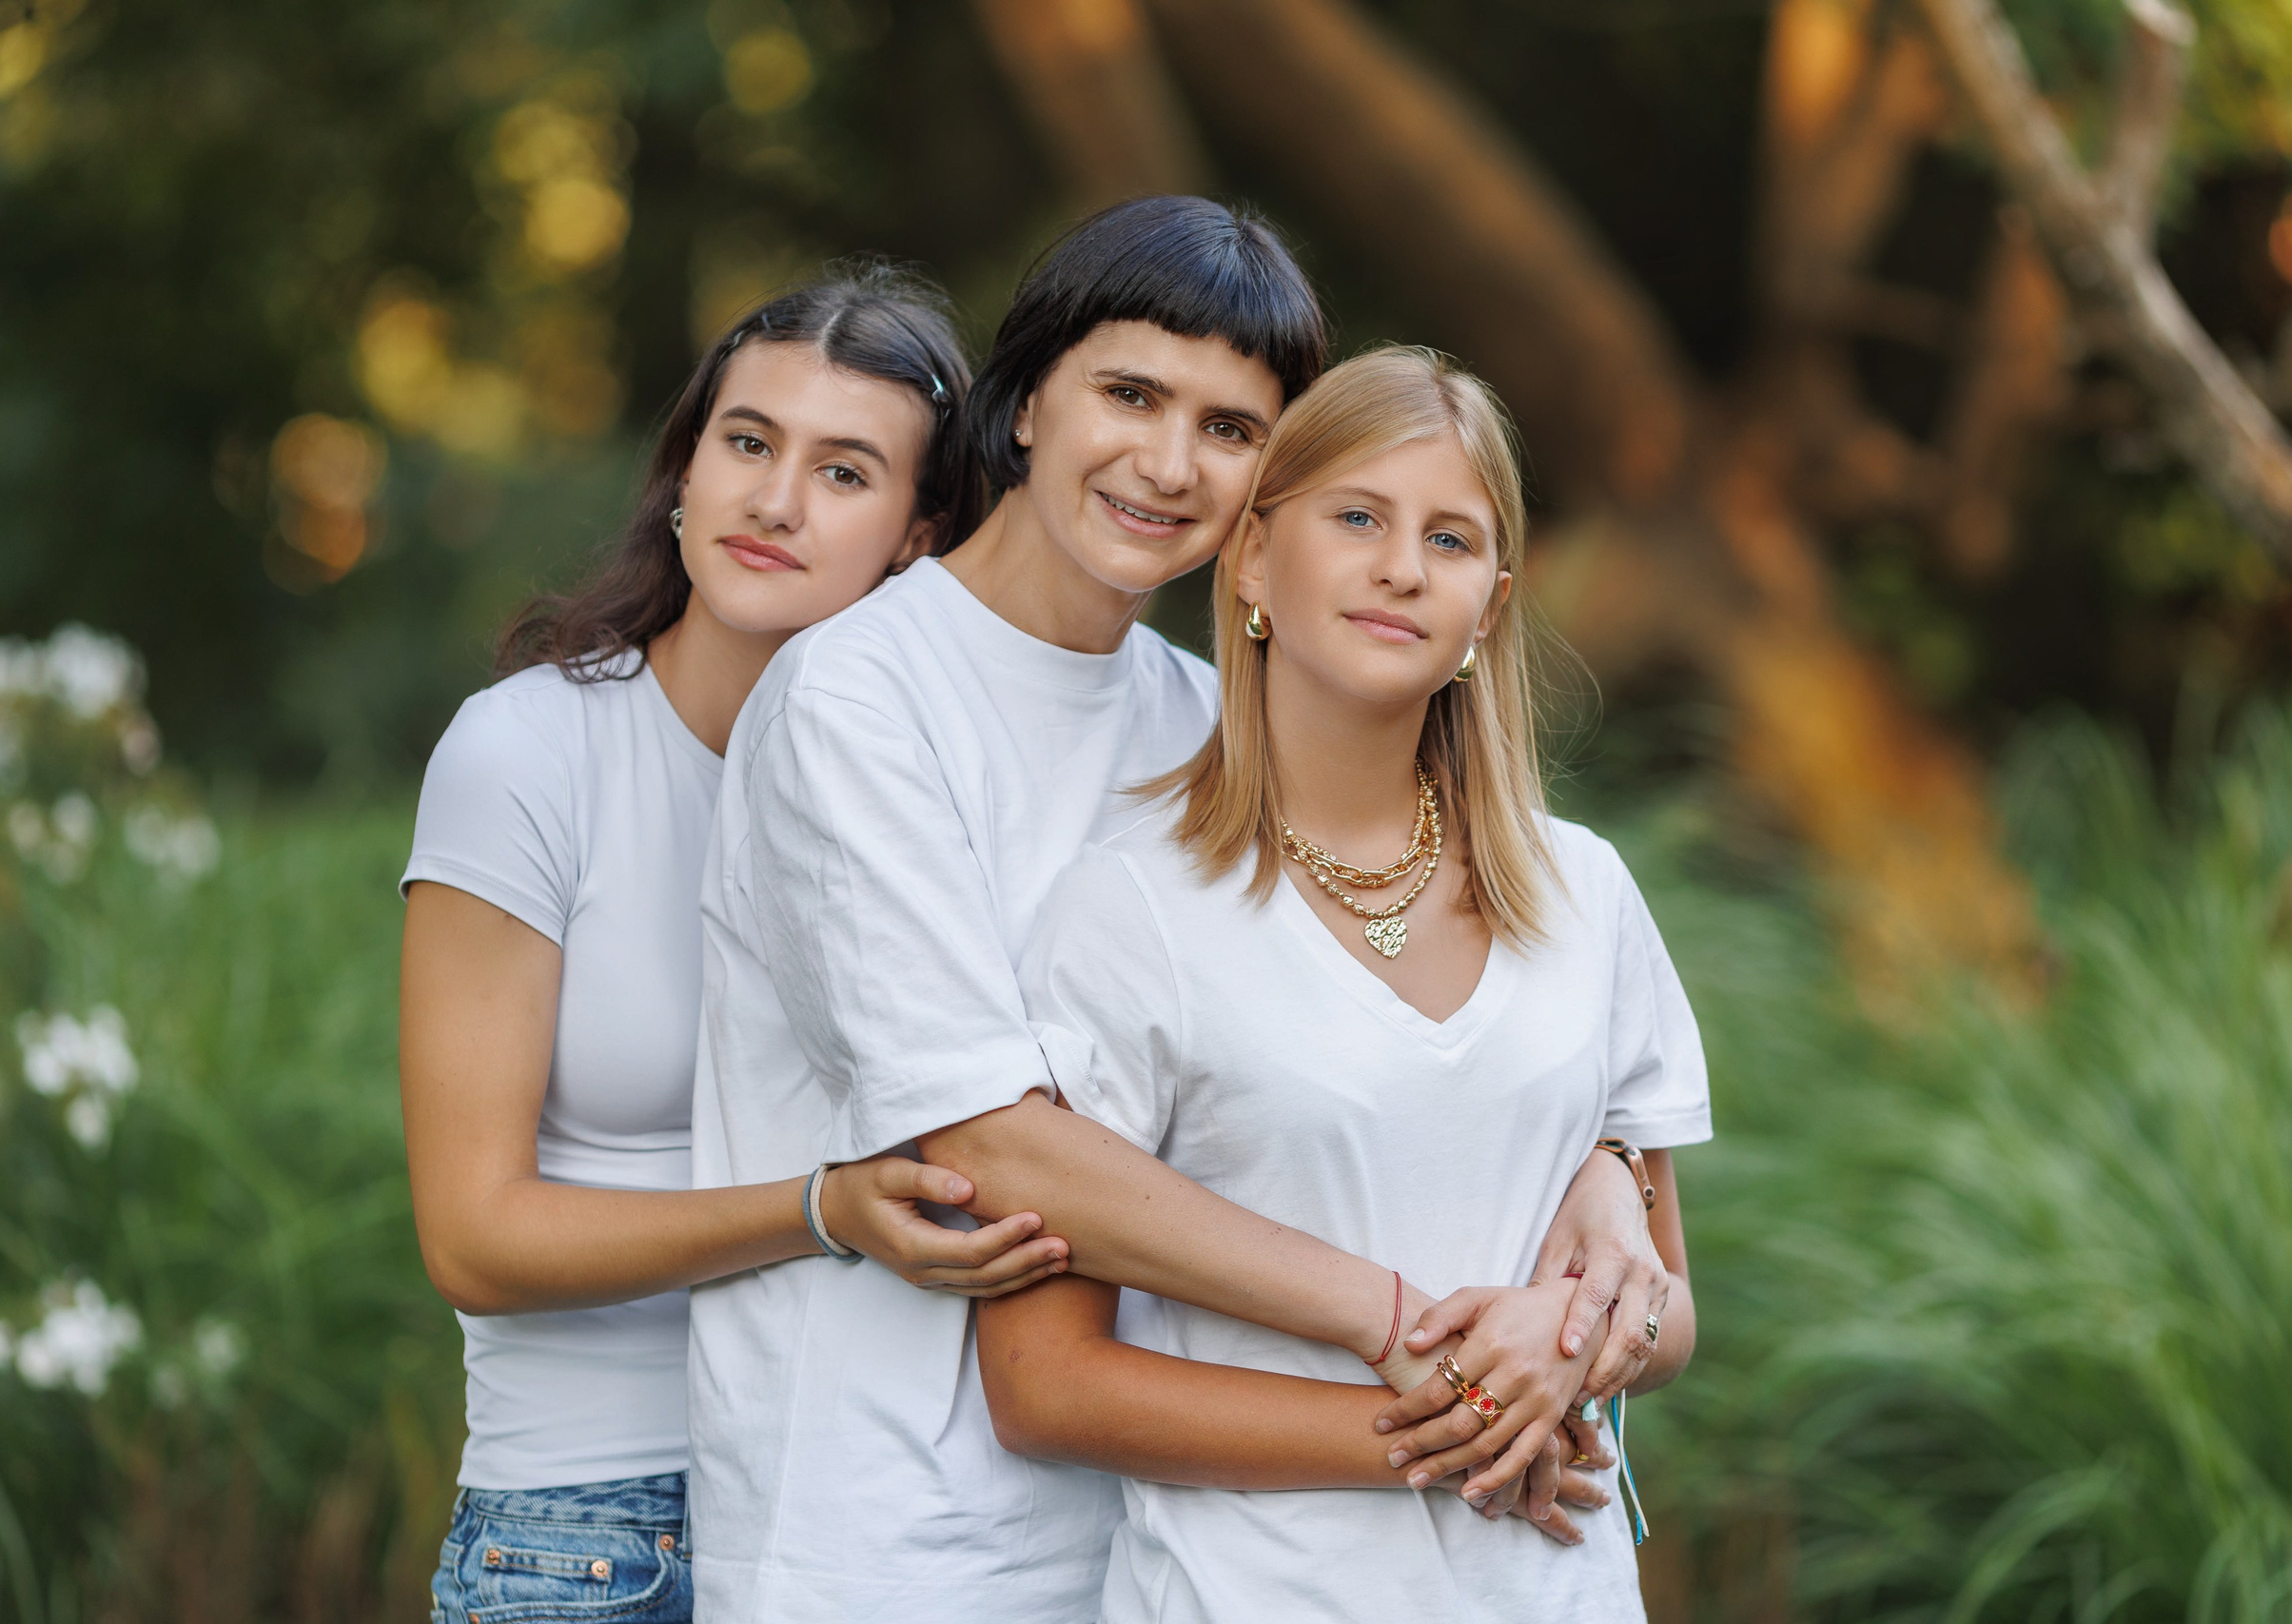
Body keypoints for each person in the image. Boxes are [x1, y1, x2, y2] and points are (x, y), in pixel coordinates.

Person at [689, 198, 1675, 1623]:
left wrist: (1598, 1162)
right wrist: (1408, 1335)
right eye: (1133, 395)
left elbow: (1375, 1044)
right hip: (887, 1525)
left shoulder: (1205, 724)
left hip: (1168, 1534)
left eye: (1231, 429)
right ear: (1026, 404)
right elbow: (986, 1140)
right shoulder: (859, 700)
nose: (1168, 462)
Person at [977, 344, 1711, 1621]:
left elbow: (1673, 1313)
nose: (1401, 566)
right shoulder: (1130, 910)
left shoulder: (1584, 894)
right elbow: (1046, 1386)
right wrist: (1460, 1425)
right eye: (1358, 517)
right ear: (1255, 559)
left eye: (1451, 537)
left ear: (1489, 604)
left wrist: (1573, 1344)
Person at [399, 268, 1060, 1624]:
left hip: (877, 1511)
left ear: (920, 536)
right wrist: (820, 1210)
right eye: (749, 444)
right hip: (597, 1526)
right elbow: (473, 1235)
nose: (775, 500)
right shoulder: (530, 753)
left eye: (844, 471)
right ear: (685, 472)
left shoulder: (963, 788)